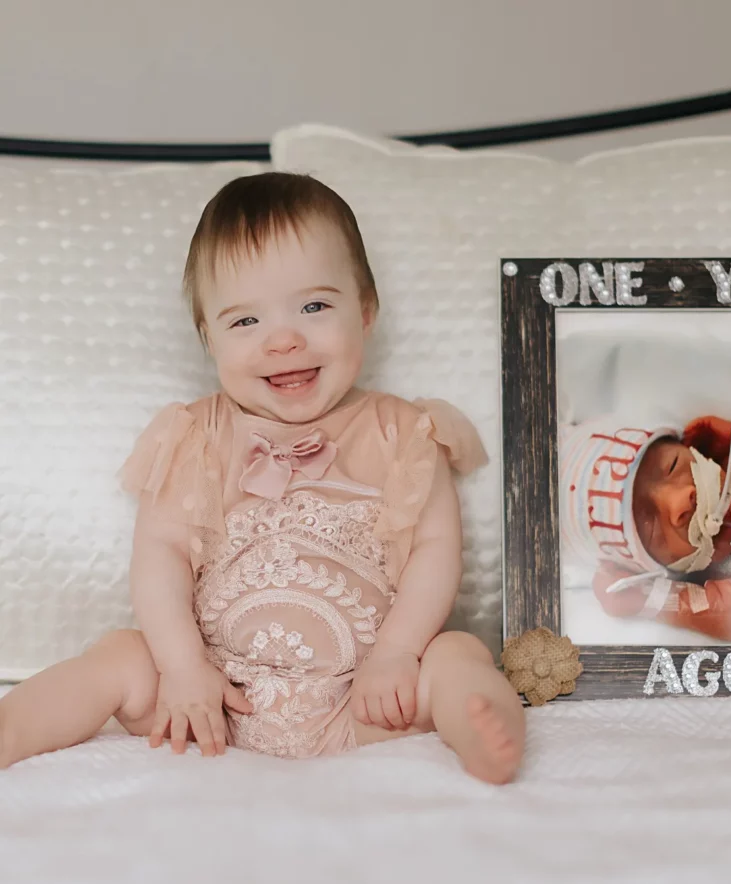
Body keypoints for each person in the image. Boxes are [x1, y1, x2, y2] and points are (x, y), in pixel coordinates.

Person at [0, 173, 524, 783]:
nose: (283, 339)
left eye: (314, 306)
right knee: (120, 655)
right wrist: (182, 667)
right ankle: (11, 729)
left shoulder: (401, 431)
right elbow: (161, 554)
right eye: (244, 322)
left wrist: (399, 654)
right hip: (210, 699)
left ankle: (482, 725)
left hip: (364, 699)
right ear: (208, 339)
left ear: (367, 311)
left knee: (458, 654)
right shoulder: (195, 434)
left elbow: (436, 549)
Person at [560, 414, 731, 642]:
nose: (681, 500)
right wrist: (655, 601)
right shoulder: (722, 578)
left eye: (672, 466)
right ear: (659, 568)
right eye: (652, 526)